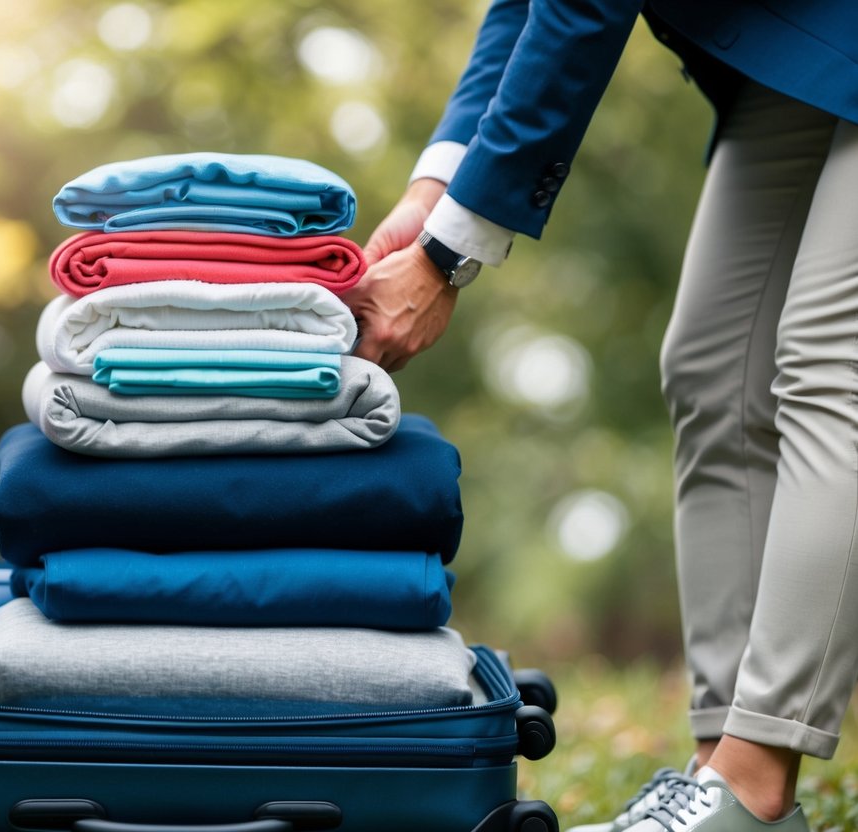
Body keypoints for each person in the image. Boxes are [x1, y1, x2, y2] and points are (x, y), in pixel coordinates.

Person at [343, 2, 858, 831]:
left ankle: (756, 781)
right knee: (709, 366)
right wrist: (435, 190)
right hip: (809, 37)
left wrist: (445, 256)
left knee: (831, 364)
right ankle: (715, 771)